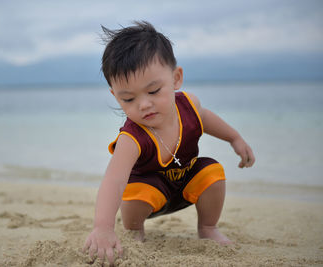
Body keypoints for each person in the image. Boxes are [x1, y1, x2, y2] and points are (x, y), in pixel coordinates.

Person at [83, 21, 255, 264]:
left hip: (184, 183)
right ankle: (135, 230)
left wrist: (235, 138)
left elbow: (205, 119)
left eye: (153, 91)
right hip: (148, 193)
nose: (143, 105)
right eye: (129, 99)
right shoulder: (132, 138)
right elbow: (114, 180)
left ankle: (207, 227)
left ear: (176, 79)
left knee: (212, 171)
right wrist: (103, 226)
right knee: (133, 193)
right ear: (115, 96)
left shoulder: (188, 105)